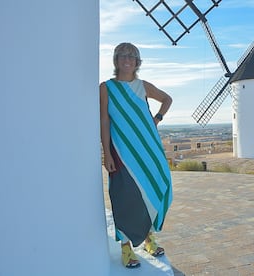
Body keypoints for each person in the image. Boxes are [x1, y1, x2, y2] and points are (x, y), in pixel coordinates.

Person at [100, 42, 173, 268]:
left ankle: (149, 237)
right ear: (116, 60)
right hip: (121, 152)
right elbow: (104, 120)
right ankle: (126, 247)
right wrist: (107, 153)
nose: (127, 59)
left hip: (149, 150)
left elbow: (167, 99)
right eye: (122, 55)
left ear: (137, 61)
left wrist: (157, 119)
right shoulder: (106, 88)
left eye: (131, 56)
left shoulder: (143, 86)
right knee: (124, 196)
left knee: (156, 187)